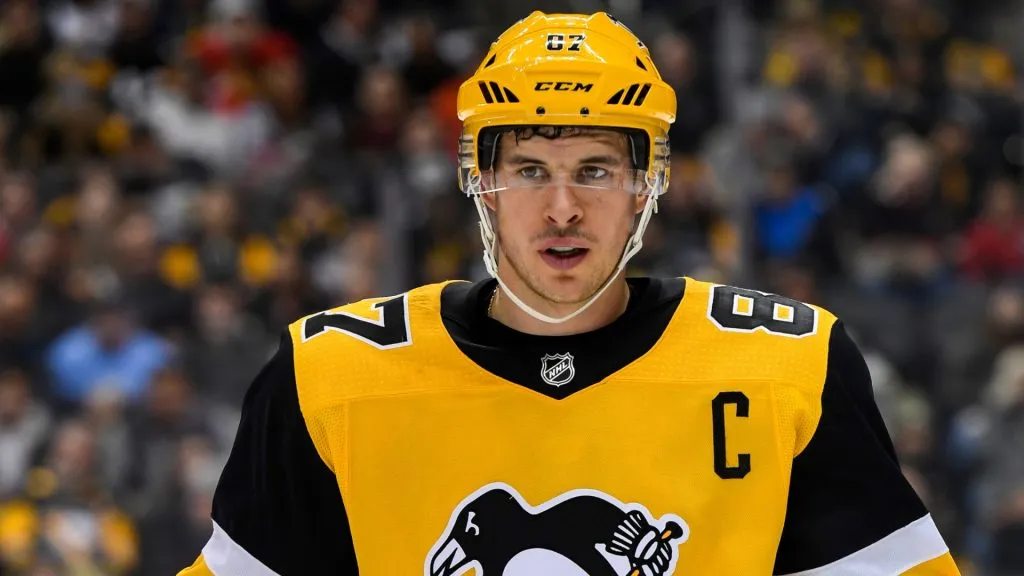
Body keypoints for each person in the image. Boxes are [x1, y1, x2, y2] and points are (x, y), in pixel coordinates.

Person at [178, 12, 961, 576]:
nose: (561, 209)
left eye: (595, 169)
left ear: (646, 186)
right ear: (479, 181)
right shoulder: (331, 377)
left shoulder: (788, 366)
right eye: (528, 170)